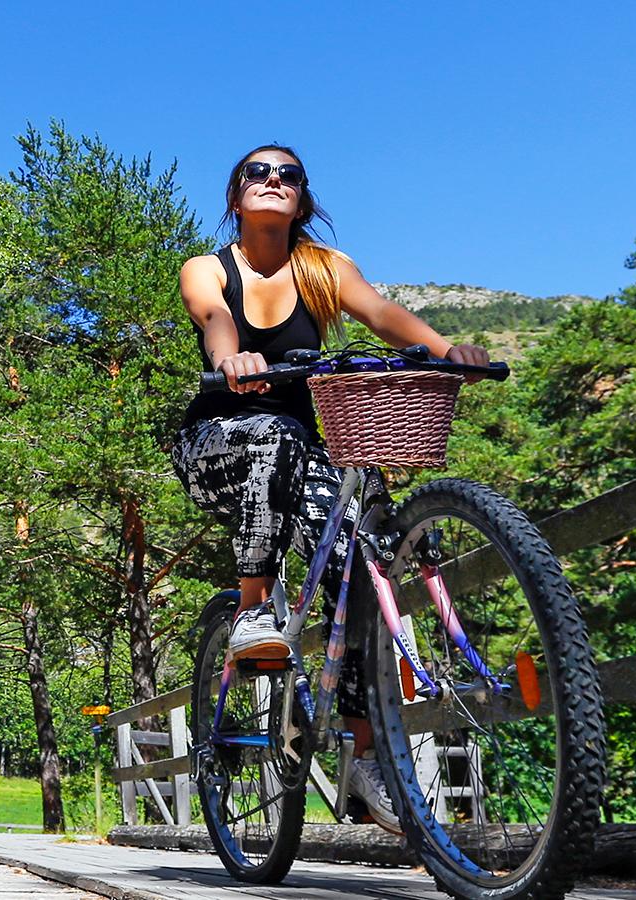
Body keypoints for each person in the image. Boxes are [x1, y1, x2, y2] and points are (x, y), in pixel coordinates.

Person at [170, 144, 489, 832]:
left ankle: (363, 760)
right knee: (275, 438)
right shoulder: (209, 267)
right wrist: (232, 361)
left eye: (289, 175)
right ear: (236, 196)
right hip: (216, 442)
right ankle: (253, 611)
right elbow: (213, 318)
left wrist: (444, 349)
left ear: (303, 199)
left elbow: (382, 314)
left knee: (363, 565)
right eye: (259, 172)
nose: (274, 181)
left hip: (299, 450)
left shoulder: (323, 269)